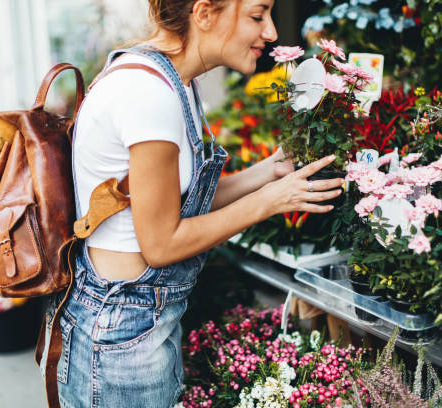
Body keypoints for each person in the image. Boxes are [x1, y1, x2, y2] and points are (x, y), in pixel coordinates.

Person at [40, 0, 344, 406]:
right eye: (257, 15)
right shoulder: (149, 94)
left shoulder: (166, 78)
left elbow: (171, 205)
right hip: (123, 330)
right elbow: (162, 243)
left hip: (130, 318)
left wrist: (266, 173)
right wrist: (269, 202)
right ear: (203, 13)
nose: (271, 33)